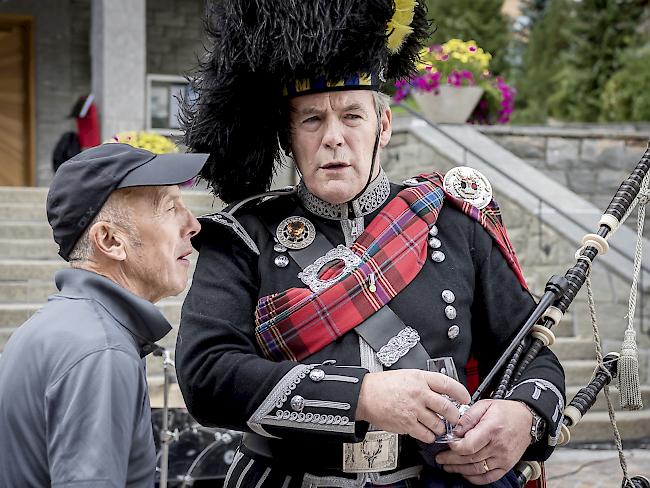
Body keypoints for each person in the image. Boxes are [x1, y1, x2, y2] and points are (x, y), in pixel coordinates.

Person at [175, 2, 565, 487]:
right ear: (289, 135)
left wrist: (524, 416)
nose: (334, 138)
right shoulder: (244, 235)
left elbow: (532, 356)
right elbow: (206, 375)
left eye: (352, 116)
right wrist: (362, 396)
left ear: (383, 126)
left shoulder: (455, 222)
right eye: (312, 120)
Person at [0, 143, 207, 487]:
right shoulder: (101, 350)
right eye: (171, 208)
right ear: (110, 240)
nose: (193, 224)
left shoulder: (65, 325)